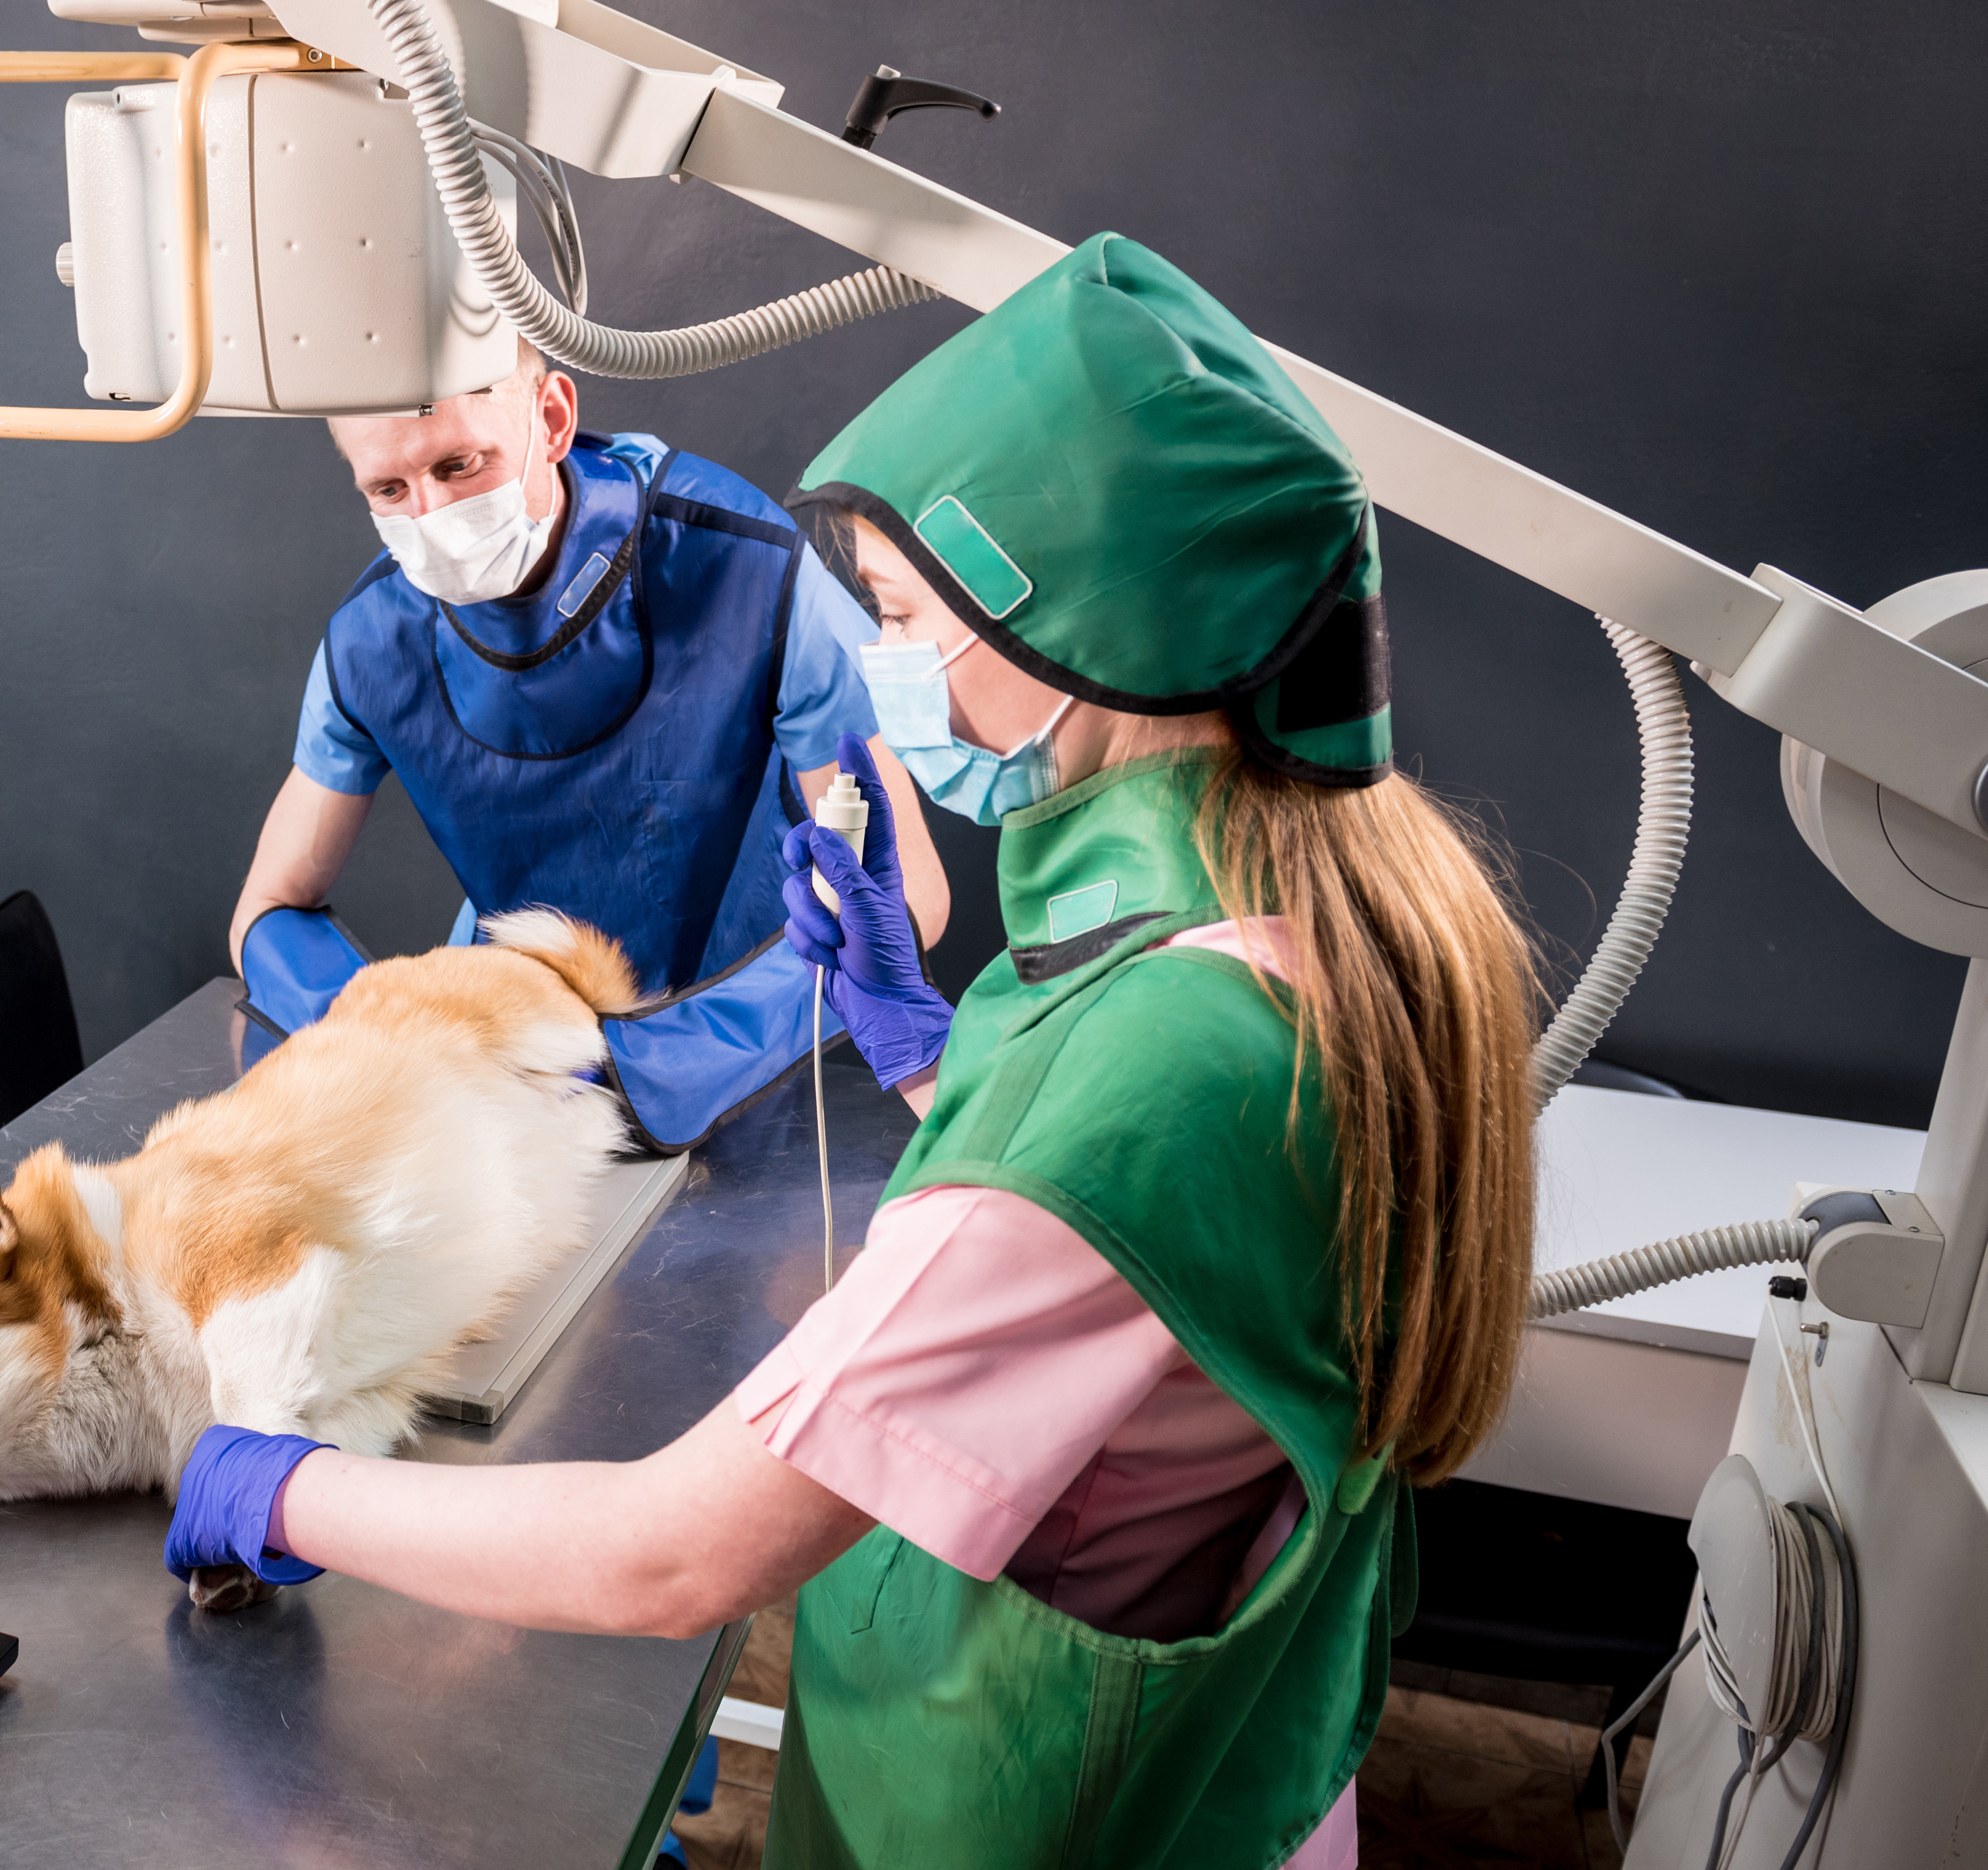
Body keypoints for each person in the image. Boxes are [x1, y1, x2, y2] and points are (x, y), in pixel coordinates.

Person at [166, 235, 1543, 1867]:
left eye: (898, 617)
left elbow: (664, 1558)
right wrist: (918, 1049)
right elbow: (1119, 1261)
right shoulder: (1310, 928)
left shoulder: (1164, 1070)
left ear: (1069, 623)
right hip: (1218, 1775)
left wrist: (269, 1487)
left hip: (1025, 1809)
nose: (884, 669)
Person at [227, 346, 949, 1148]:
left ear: (552, 418)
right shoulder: (372, 640)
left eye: (461, 465)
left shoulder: (744, 567)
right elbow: (267, 909)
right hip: (514, 1065)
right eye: (388, 489)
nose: (430, 515)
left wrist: (657, 1067)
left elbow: (906, 887)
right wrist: (388, 1046)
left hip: (752, 1038)